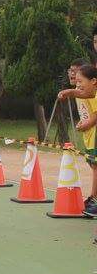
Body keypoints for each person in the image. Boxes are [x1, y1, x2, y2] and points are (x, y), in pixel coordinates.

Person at [58, 61, 97, 217]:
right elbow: (87, 95)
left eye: (80, 79)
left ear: (93, 81)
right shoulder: (85, 92)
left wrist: (87, 123)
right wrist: (70, 92)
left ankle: (94, 199)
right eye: (71, 71)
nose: (72, 75)